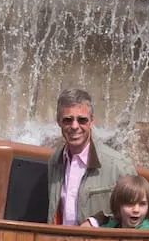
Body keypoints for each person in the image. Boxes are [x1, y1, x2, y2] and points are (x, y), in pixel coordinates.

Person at [46, 88, 137, 226]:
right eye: (67, 120)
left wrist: (96, 221)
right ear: (59, 121)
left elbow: (138, 219)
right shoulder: (55, 160)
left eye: (82, 120)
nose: (74, 126)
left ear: (91, 121)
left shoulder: (119, 166)